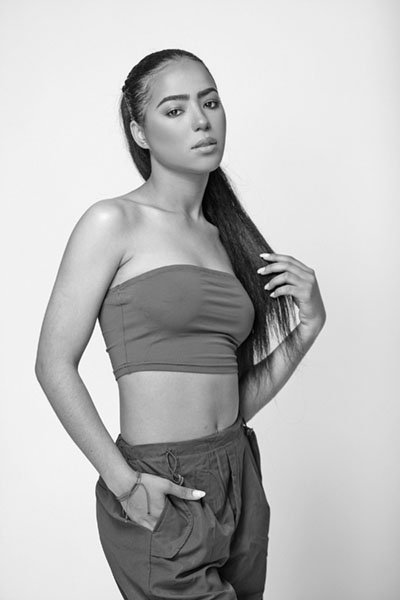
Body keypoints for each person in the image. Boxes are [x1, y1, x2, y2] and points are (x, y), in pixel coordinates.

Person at [34, 48, 326, 600]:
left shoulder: (226, 239)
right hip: (161, 484)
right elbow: (53, 364)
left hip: (238, 469)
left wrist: (307, 328)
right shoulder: (112, 222)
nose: (200, 120)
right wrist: (124, 484)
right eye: (174, 110)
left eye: (210, 102)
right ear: (139, 132)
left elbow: (234, 401)